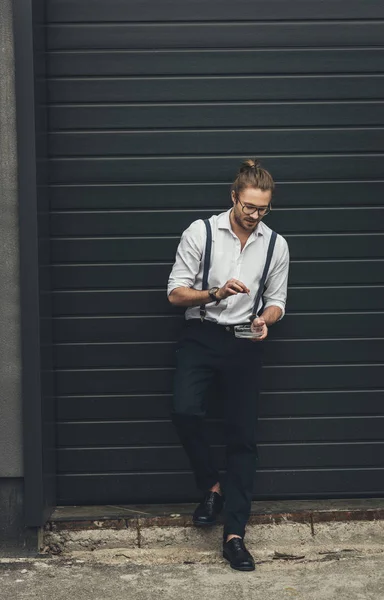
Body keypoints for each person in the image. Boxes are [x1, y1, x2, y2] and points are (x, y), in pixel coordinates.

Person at [167, 158, 290, 571]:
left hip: (244, 342)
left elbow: (277, 302)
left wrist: (265, 320)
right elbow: (175, 294)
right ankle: (212, 487)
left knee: (242, 438)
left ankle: (234, 534)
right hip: (200, 335)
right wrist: (216, 293)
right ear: (234, 196)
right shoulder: (200, 232)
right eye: (249, 207)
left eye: (263, 209)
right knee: (185, 410)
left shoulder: (276, 244)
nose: (254, 216)